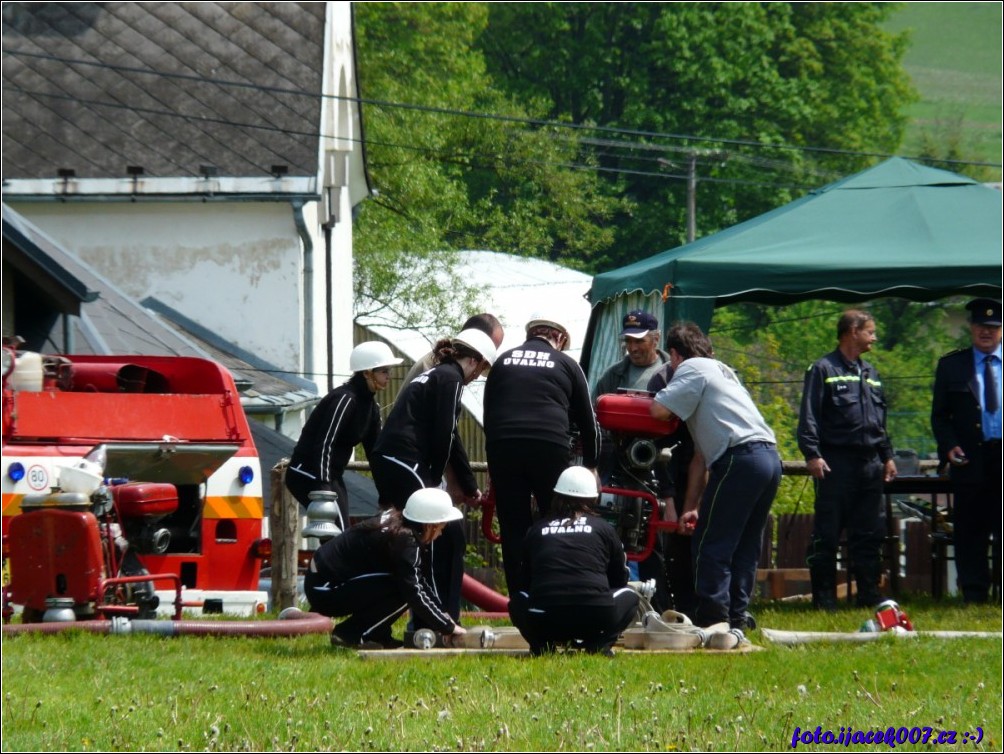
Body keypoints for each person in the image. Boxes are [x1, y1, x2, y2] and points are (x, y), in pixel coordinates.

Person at [650, 322, 781, 631]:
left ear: (673, 354)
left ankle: (714, 620)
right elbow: (699, 457)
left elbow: (658, 411)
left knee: (711, 544)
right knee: (745, 546)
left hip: (739, 459)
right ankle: (737, 618)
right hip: (769, 458)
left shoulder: (692, 368)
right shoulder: (724, 371)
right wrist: (691, 506)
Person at [369, 328, 497, 620]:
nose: (477, 376)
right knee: (442, 533)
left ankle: (415, 613)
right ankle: (439, 617)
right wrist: (437, 487)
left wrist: (467, 485)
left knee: (407, 534)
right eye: (481, 369)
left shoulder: (439, 374)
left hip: (392, 458)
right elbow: (445, 438)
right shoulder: (451, 379)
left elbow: (449, 436)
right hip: (403, 458)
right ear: (474, 361)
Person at [483, 313, 600, 594]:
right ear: (559, 338)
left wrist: (493, 460)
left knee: (513, 526)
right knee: (558, 520)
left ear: (530, 334)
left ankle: (520, 598)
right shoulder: (567, 364)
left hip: (504, 446)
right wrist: (592, 466)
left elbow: (489, 412)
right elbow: (588, 421)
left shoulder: (502, 361)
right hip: (549, 446)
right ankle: (555, 591)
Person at [797, 310, 897, 610]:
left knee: (869, 534)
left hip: (870, 465)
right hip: (835, 464)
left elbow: (880, 421)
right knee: (827, 535)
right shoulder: (823, 369)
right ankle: (824, 598)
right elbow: (809, 416)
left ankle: (868, 595)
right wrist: (812, 454)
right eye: (870, 331)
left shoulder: (872, 374)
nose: (875, 337)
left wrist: (888, 456)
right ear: (853, 331)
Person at [305, 487, 468, 649]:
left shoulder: (396, 525)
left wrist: (443, 616)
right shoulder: (406, 540)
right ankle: (350, 635)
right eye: (441, 528)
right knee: (403, 588)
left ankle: (377, 635)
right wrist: (448, 627)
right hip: (325, 590)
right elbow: (414, 590)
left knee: (403, 583)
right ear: (429, 525)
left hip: (322, 583)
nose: (439, 535)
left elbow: (419, 581)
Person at [508, 466, 639, 656]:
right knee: (631, 595)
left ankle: (542, 646)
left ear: (556, 495)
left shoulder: (537, 529)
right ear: (594, 498)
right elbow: (619, 578)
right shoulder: (603, 529)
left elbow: (524, 582)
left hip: (545, 619)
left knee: (517, 600)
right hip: (596, 618)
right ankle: (599, 644)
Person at [592, 309, 672, 610]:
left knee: (656, 544)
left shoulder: (672, 373)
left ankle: (661, 607)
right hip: (617, 468)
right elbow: (592, 417)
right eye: (628, 341)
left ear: (656, 338)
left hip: (661, 471)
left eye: (639, 341)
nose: (633, 348)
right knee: (616, 535)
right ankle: (614, 601)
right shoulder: (613, 375)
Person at [931, 298, 1002, 604]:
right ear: (971, 328)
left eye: (993, 327)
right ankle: (974, 593)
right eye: (980, 326)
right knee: (970, 530)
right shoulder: (952, 365)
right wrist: (949, 447)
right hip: (970, 458)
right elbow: (940, 416)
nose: (985, 332)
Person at [286, 341, 403, 528]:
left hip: (332, 476)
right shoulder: (345, 399)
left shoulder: (371, 408)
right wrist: (324, 488)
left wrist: (386, 495)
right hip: (306, 471)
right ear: (367, 373)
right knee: (335, 532)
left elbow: (376, 455)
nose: (389, 376)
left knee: (341, 532)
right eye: (384, 371)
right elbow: (325, 443)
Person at [644, 329, 716, 618]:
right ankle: (678, 607)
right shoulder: (661, 380)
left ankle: (713, 607)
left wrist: (697, 505)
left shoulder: (718, 376)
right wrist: (670, 501)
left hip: (711, 461)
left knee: (710, 539)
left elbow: (708, 449)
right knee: (673, 543)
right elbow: (657, 451)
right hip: (672, 468)